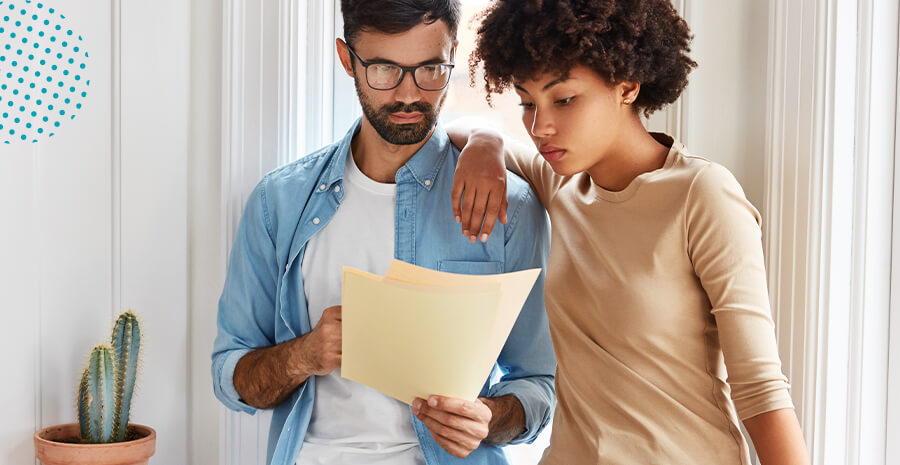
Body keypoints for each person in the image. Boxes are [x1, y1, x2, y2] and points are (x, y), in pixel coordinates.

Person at [447, 1, 810, 464]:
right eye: (526, 102)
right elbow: (461, 126)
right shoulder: (562, 183)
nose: (540, 127)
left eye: (564, 99)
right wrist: (486, 143)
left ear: (626, 86)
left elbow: (760, 389)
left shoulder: (702, 194)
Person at [211, 1, 555, 465]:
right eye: (384, 69)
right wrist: (304, 355)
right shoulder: (279, 203)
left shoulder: (510, 207)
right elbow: (232, 377)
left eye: (431, 69)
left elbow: (537, 382)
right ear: (347, 59)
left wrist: (488, 418)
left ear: (453, 54)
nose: (410, 95)